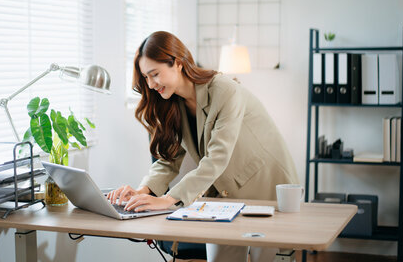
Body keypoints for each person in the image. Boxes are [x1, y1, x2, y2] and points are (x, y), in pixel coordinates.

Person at [107, 31, 299, 262]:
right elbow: (168, 160)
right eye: (146, 78)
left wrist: (168, 199)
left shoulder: (224, 90)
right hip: (223, 196)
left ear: (177, 63)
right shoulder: (172, 103)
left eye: (154, 74)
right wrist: (142, 191)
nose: (151, 84)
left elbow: (217, 158)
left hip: (266, 188)